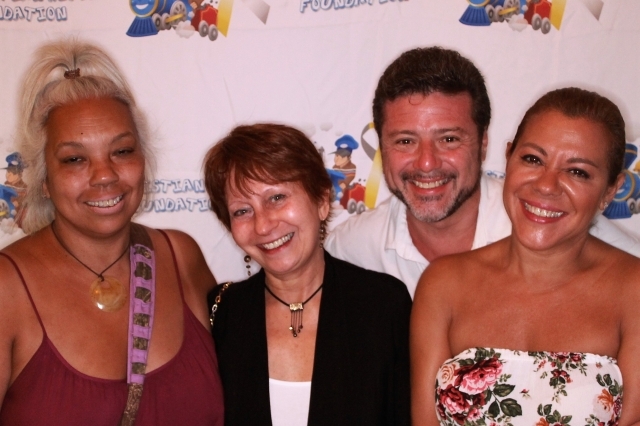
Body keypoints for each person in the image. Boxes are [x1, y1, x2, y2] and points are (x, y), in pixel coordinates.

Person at [0, 39, 224, 425]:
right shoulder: (7, 288)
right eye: (74, 159)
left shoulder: (182, 257)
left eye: (122, 151)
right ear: (44, 180)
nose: (104, 175)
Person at [324, 47, 640, 297]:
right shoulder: (349, 250)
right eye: (405, 141)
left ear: (483, 143)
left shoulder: (551, 223)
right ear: (382, 148)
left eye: (449, 139)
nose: (427, 163)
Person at [411, 88, 640, 424]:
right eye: (533, 159)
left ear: (610, 190)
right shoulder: (443, 284)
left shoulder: (634, 290)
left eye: (577, 172)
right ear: (508, 157)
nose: (546, 185)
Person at [203, 123, 411, 426]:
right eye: (242, 211)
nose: (263, 225)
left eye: (277, 198)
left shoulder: (384, 305)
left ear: (321, 200)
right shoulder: (221, 312)